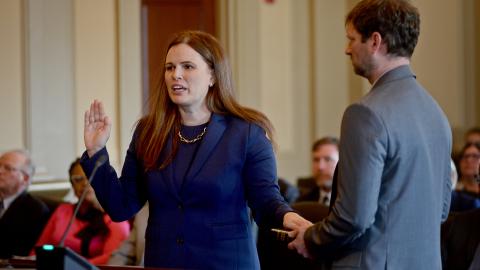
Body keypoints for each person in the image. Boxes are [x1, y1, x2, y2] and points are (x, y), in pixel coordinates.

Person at [81, 30, 310, 269]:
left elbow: (266, 200)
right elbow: (121, 207)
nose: (175, 75)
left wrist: (290, 217)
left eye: (187, 66)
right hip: (164, 262)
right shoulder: (148, 132)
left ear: (213, 75)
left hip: (225, 263)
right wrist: (96, 152)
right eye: (170, 68)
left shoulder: (245, 133)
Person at [287, 0, 452, 269]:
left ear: (375, 42)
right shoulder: (436, 114)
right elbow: (441, 210)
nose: (346, 49)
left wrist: (311, 236)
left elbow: (354, 218)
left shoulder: (365, 114)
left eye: (351, 39)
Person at [32, 159, 130, 264]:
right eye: (78, 179)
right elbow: (37, 250)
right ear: (72, 185)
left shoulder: (116, 218)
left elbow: (113, 260)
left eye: (90, 177)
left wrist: (73, 266)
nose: (85, 183)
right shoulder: (62, 211)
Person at [0, 150, 50, 259]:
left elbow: (22, 254)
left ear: (25, 178)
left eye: (7, 168)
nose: (0, 171)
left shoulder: (36, 210)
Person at [296, 137, 339, 206]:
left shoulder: (353, 202)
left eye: (328, 159)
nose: (320, 167)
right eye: (316, 160)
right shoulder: (302, 202)